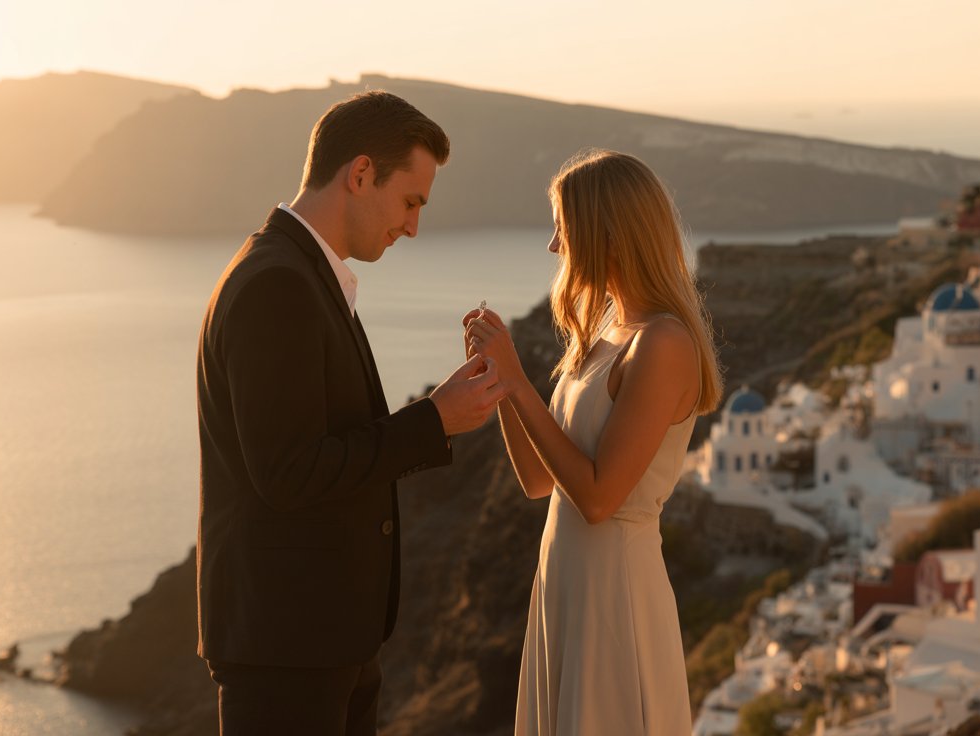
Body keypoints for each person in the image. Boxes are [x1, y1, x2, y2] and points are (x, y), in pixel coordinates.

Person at [196, 90, 505, 736]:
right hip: (285, 652)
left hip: (324, 644)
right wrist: (433, 421)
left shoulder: (302, 274)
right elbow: (288, 471)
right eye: (410, 202)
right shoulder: (277, 285)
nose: (413, 227)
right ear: (361, 174)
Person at [463, 149, 723, 735]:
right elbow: (537, 482)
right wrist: (500, 380)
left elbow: (601, 500)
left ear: (605, 233)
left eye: (563, 226)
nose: (554, 246)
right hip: (565, 580)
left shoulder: (662, 343)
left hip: (615, 591)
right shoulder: (607, 333)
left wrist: (519, 379)